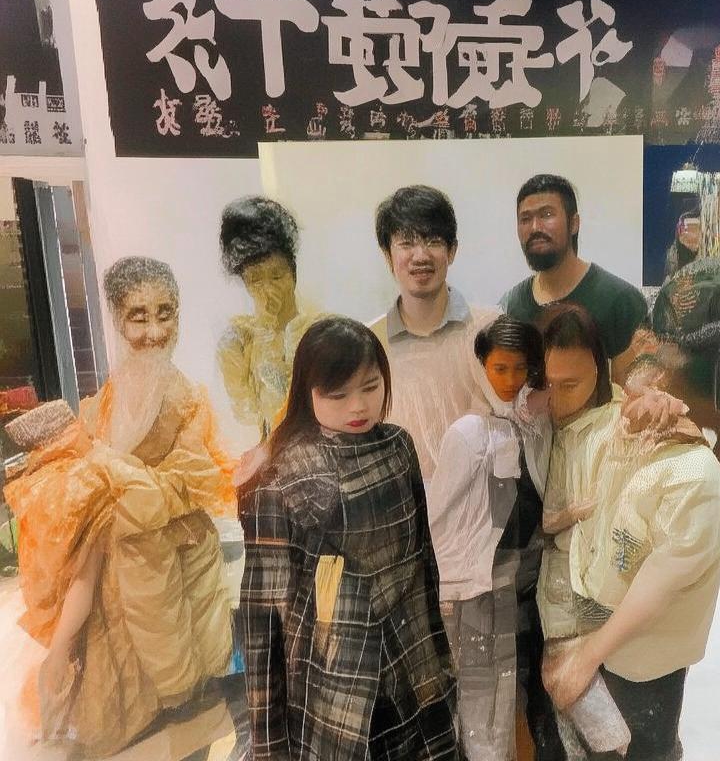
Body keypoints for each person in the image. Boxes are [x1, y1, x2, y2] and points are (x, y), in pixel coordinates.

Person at [4, 256, 235, 757]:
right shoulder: (100, 405)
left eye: (165, 313)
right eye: (138, 316)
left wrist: (99, 464)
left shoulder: (189, 402)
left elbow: (177, 490)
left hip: (173, 583)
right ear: (115, 319)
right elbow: (94, 512)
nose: (154, 331)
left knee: (185, 726)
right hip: (109, 599)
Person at [238, 316, 458, 761]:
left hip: (412, 666)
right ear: (307, 392)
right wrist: (268, 746)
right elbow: (263, 622)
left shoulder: (398, 447)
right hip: (333, 685)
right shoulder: (277, 480)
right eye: (337, 395)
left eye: (370, 387)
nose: (358, 406)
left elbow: (424, 567)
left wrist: (440, 659)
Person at [536, 304, 720, 761]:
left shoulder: (687, 473)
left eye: (571, 385)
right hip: (584, 623)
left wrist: (585, 656)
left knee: (644, 744)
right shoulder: (588, 429)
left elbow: (658, 587)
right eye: (548, 384)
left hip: (643, 654)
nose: (557, 399)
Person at [428, 316, 553, 761]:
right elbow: (438, 514)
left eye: (520, 368)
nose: (510, 380)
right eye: (500, 368)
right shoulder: (468, 433)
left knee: (517, 694)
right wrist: (446, 588)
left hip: (527, 584)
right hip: (478, 590)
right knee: (480, 703)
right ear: (482, 366)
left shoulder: (535, 423)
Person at [367, 184, 499, 482]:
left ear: (452, 251)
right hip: (400, 502)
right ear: (388, 255)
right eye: (406, 243)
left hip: (478, 501)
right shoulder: (369, 343)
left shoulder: (489, 329)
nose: (420, 256)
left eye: (433, 241)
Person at [502, 174, 649, 385]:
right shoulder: (511, 306)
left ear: (574, 223)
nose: (535, 227)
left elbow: (634, 396)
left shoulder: (621, 302)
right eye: (525, 219)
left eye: (547, 214)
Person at [217, 196, 320, 438]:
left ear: (293, 273)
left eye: (276, 276)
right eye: (255, 279)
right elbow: (244, 419)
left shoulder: (318, 330)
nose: (268, 289)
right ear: (244, 282)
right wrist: (264, 340)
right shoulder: (237, 343)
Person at [651, 255, 720, 494]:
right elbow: (668, 352)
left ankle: (717, 485)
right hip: (685, 389)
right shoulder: (676, 296)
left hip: (698, 386)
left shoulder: (704, 290)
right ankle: (717, 486)